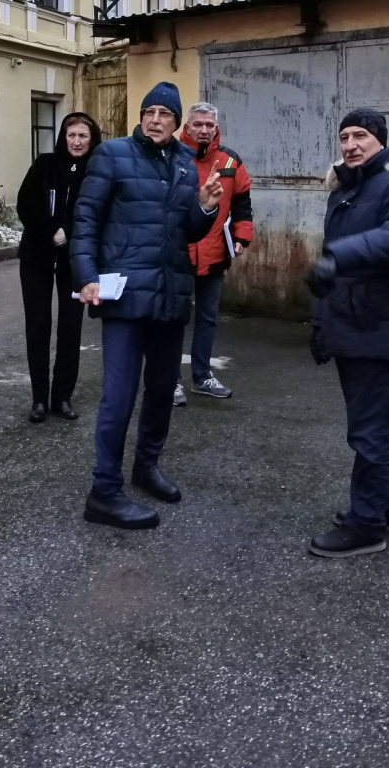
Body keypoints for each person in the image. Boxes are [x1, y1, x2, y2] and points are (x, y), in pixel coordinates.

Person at [71, 82, 223, 529]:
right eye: (149, 111)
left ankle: (146, 465)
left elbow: (186, 230)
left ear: (177, 122)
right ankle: (104, 491)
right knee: (118, 396)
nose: (155, 119)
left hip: (170, 293)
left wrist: (205, 208)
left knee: (160, 391)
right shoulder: (112, 154)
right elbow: (86, 218)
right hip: (123, 295)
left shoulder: (184, 162)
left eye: (164, 113)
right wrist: (86, 276)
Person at [304, 109, 389, 557]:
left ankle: (367, 525)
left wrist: (339, 257)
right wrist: (322, 323)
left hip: (375, 324)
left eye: (360, 135)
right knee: (378, 423)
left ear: (380, 140)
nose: (350, 145)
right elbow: (337, 271)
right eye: (344, 137)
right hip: (351, 322)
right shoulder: (347, 189)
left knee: (369, 431)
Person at [16, 111, 102, 423]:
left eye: (83, 136)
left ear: (92, 139)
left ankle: (62, 396)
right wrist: (52, 230)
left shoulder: (96, 171)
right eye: (71, 135)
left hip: (74, 261)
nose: (76, 141)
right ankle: (39, 398)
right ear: (63, 138)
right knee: (37, 326)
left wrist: (70, 231)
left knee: (70, 328)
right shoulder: (44, 164)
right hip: (36, 257)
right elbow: (26, 204)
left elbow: (98, 211)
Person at [174, 101, 253, 404]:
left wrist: (242, 236)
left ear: (216, 127)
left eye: (209, 125)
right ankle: (170, 380)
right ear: (187, 126)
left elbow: (242, 201)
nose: (204, 130)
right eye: (198, 124)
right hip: (177, 253)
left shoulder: (230, 161)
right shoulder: (174, 156)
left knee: (207, 319)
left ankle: (202, 376)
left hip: (215, 251)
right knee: (173, 319)